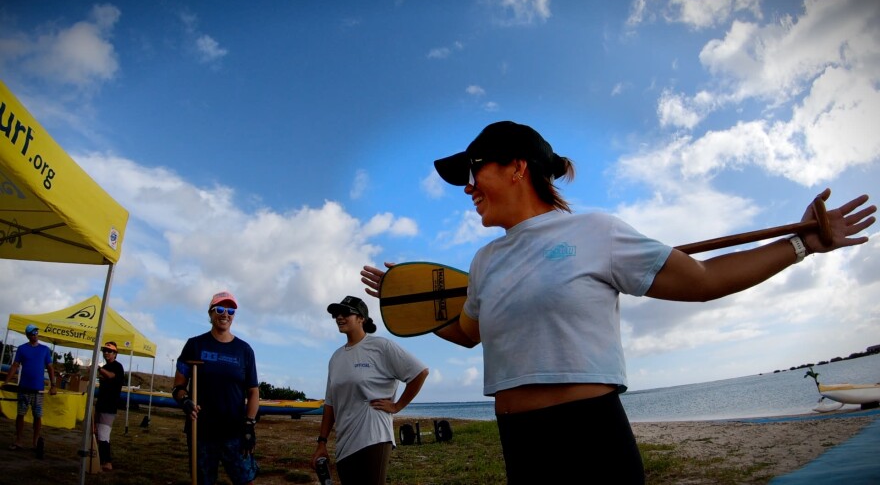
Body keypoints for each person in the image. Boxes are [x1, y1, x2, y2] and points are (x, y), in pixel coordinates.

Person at [360, 120, 877, 484]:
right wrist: (405, 302)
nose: (468, 187)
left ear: (517, 167)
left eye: (475, 170)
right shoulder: (484, 261)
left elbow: (703, 279)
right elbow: (468, 333)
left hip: (590, 433)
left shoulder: (597, 232)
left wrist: (800, 244)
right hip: (519, 439)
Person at [311, 295, 429, 485]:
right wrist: (322, 442)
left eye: (346, 313)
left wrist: (397, 406)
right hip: (344, 443)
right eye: (336, 314)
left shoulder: (381, 347)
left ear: (361, 318)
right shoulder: (336, 358)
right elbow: (330, 405)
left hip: (374, 436)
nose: (339, 317)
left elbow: (420, 372)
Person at [172, 291, 260, 485]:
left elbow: (253, 392)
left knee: (246, 480)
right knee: (204, 480)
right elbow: (178, 386)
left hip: (234, 431)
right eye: (219, 309)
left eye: (231, 310)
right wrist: (184, 400)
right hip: (201, 430)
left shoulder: (244, 350)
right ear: (210, 313)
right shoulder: (194, 345)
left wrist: (249, 425)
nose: (225, 314)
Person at [4, 323, 57, 458]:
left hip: (38, 390)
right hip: (24, 388)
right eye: (32, 333)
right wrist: (6, 381)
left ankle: (35, 442)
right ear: (28, 335)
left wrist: (53, 385)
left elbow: (50, 368)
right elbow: (15, 365)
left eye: (36, 332)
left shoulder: (45, 350)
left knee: (37, 416)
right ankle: (19, 440)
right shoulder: (22, 349)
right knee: (20, 414)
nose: (35, 335)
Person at [94, 340, 125, 471]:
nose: (106, 353)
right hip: (101, 404)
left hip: (110, 406)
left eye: (109, 351)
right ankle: (99, 459)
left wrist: (98, 369)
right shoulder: (105, 367)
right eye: (104, 351)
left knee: (104, 434)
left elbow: (111, 376)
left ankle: (107, 462)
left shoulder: (118, 367)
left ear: (115, 353)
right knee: (97, 433)